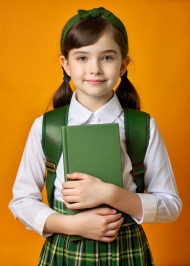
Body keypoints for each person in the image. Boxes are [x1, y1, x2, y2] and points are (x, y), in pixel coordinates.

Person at [9, 7, 182, 265]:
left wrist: (110, 195)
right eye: (82, 58)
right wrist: (71, 224)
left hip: (126, 249)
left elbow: (171, 206)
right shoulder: (46, 127)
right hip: (65, 247)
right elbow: (22, 201)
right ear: (65, 64)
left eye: (107, 57)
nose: (95, 69)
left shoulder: (142, 127)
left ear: (123, 65)